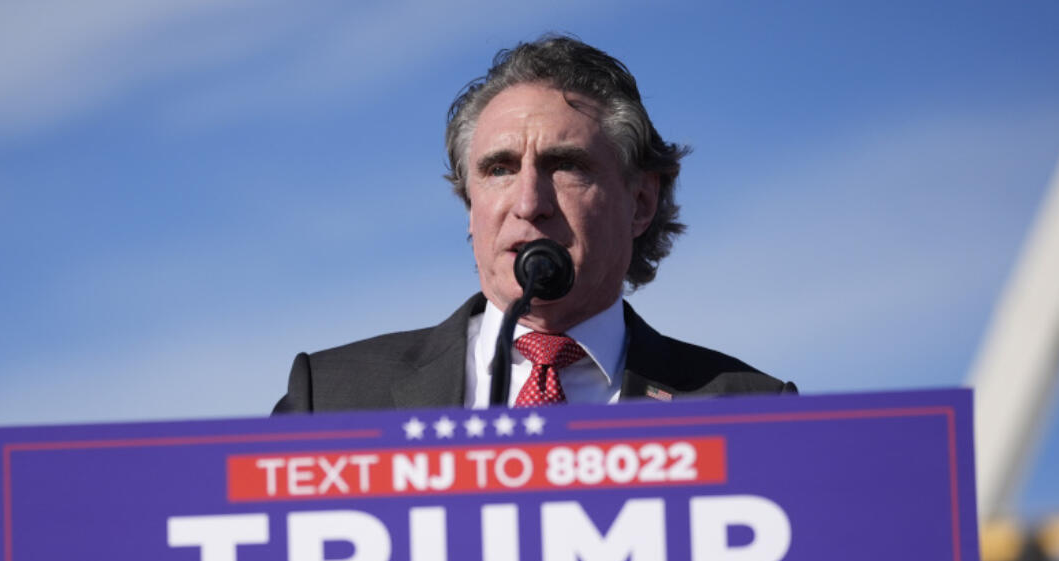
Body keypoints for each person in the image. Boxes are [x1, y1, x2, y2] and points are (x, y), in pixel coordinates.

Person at [274, 35, 792, 409]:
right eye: (499, 169)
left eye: (565, 166)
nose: (529, 202)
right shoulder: (333, 398)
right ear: (471, 205)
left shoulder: (750, 409)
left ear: (640, 201)